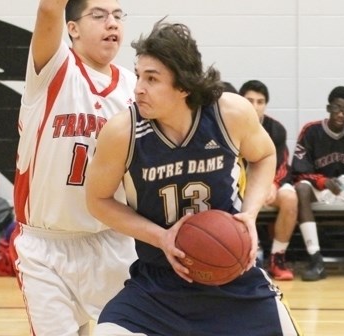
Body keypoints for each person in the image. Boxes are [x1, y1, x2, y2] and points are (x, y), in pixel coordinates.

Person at [85, 19, 302, 336]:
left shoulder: (229, 113)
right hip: (158, 282)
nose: (138, 88)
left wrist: (249, 215)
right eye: (139, 75)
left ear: (183, 85)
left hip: (233, 275)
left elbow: (265, 155)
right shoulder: (123, 132)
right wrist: (162, 237)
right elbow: (98, 201)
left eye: (152, 78)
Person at [11, 0, 137, 334]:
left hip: (114, 243)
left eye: (117, 16)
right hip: (46, 248)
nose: (111, 23)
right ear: (73, 29)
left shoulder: (134, 88)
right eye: (98, 15)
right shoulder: (53, 71)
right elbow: (49, 9)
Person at [291, 86, 344, 281]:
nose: (341, 113)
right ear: (328, 108)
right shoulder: (311, 130)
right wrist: (321, 181)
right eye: (337, 108)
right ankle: (316, 260)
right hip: (320, 187)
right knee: (301, 188)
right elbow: (298, 170)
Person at [239, 80, 297, 281]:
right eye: (250, 101)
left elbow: (282, 163)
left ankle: (277, 257)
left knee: (290, 198)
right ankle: (238, 257)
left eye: (260, 101)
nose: (255, 106)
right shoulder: (230, 124)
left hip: (268, 184)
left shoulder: (276, 129)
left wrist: (274, 184)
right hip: (239, 186)